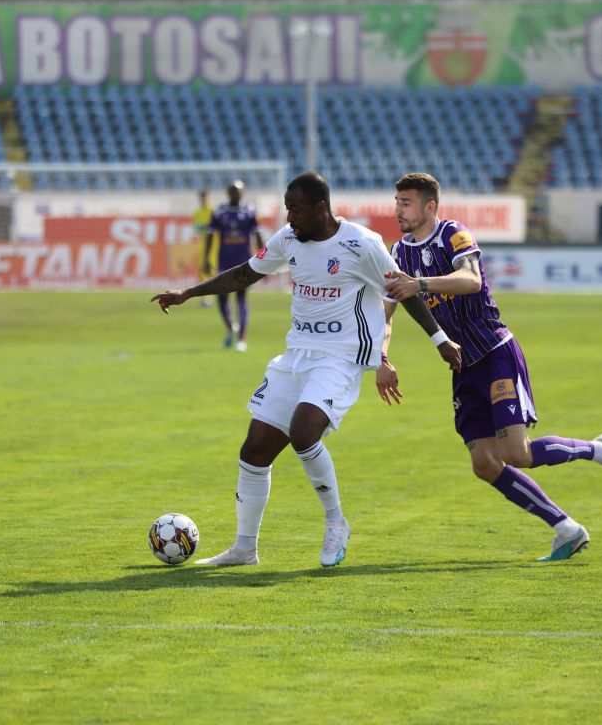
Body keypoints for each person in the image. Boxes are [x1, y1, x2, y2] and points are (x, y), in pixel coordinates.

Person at [152, 172, 461, 567]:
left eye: (295, 209)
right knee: (255, 449)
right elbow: (246, 273)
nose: (289, 217)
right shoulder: (288, 239)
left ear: (320, 208)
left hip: (340, 359)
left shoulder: (361, 244)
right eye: (287, 209)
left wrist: (439, 339)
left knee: (303, 430)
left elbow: (403, 289)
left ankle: (336, 522)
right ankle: (245, 549)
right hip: (296, 355)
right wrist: (189, 293)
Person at [380, 172, 602, 562]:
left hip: (495, 353)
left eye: (406, 203)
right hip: (463, 366)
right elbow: (384, 314)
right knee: (485, 463)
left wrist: (419, 285)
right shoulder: (399, 253)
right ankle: (567, 529)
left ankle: (599, 451)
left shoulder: (454, 234)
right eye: (397, 202)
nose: (398, 210)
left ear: (429, 206)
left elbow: (470, 280)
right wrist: (382, 358)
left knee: (517, 453)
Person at [203, 180, 264, 351]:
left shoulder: (249, 211)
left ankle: (241, 338)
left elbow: (257, 235)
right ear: (228, 192)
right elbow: (210, 235)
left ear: (242, 193)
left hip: (244, 261)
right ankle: (231, 327)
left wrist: (264, 260)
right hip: (224, 261)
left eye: (238, 191)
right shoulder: (219, 211)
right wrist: (207, 259)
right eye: (232, 190)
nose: (235, 193)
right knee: (221, 296)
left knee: (241, 297)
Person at [191, 189, 217, 307]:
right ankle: (206, 298)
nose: (203, 200)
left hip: (214, 245)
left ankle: (212, 297)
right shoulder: (197, 213)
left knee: (212, 270)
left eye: (205, 197)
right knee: (202, 271)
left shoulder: (213, 211)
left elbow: (215, 228)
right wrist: (205, 227)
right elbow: (197, 229)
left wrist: (205, 227)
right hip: (203, 245)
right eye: (201, 198)